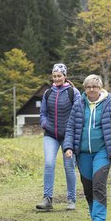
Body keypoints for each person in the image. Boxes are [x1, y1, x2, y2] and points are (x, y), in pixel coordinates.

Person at [64, 74, 111, 221]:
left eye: (94, 86)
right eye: (88, 87)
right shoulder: (78, 105)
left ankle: (99, 220)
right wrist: (68, 147)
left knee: (98, 183)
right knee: (88, 187)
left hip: (103, 151)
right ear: (84, 89)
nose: (91, 89)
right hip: (83, 153)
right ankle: (94, 216)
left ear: (100, 88)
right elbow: (70, 128)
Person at [36, 63, 81, 211]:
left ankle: (71, 199)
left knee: (69, 166)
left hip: (68, 135)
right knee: (49, 163)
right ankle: (47, 199)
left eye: (59, 76)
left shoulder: (73, 92)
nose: (56, 78)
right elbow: (42, 113)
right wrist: (44, 123)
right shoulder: (48, 93)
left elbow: (79, 113)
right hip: (50, 134)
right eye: (54, 76)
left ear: (65, 76)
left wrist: (74, 131)